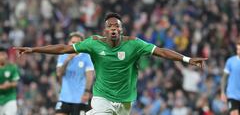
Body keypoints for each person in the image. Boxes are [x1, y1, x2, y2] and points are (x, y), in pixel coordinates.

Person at [14, 12, 207, 115]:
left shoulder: (134, 44)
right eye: (110, 26)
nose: (113, 28)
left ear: (121, 30)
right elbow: (63, 48)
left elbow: (161, 52)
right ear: (105, 30)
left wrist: (187, 59)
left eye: (117, 26)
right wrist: (34, 49)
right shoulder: (94, 43)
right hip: (101, 97)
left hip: (125, 101)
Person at [55, 32, 94, 115]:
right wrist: (68, 59)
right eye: (72, 42)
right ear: (69, 43)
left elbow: (90, 75)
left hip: (80, 98)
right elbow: (59, 74)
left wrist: (87, 91)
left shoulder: (86, 56)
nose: (74, 45)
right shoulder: (63, 56)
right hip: (64, 97)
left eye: (77, 43)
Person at [221, 38, 240, 115]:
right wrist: (222, 92)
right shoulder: (230, 61)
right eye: (238, 49)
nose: (238, 51)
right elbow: (224, 78)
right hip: (232, 94)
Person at [0, 47, 20, 115]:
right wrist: (2, 86)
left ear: (6, 55)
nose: (2, 56)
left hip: (10, 98)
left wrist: (9, 84)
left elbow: (15, 83)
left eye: (3, 54)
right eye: (0, 55)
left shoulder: (12, 67)